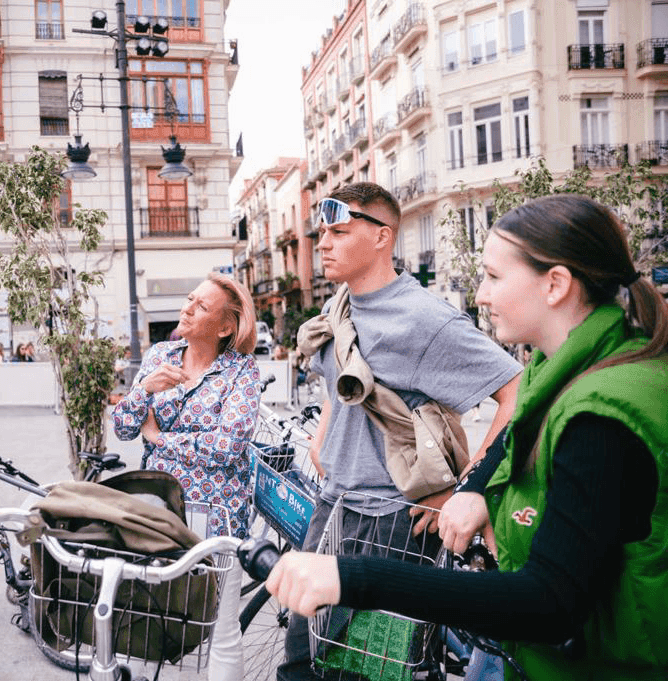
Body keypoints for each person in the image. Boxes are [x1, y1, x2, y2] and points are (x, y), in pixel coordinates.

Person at [267, 194, 668, 679]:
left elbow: (550, 602)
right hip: (545, 654)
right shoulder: (554, 368)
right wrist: (475, 489)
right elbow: (519, 425)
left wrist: (351, 578)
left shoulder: (601, 413)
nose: (480, 295)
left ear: (556, 285)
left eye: (494, 277)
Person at [283, 182, 522, 676]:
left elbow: (518, 393)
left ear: (381, 237)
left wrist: (467, 489)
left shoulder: (424, 318)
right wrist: (325, 440)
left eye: (339, 232)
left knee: (377, 670)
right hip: (334, 508)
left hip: (393, 524)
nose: (323, 243)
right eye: (322, 233)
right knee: (302, 662)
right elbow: (337, 388)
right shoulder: (338, 307)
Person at [112, 272, 260, 681]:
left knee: (222, 630)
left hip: (218, 516)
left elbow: (228, 445)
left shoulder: (241, 371)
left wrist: (159, 439)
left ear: (225, 327)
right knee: (147, 615)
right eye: (190, 299)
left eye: (201, 305)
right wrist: (144, 390)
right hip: (160, 511)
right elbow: (123, 426)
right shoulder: (160, 356)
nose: (188, 308)